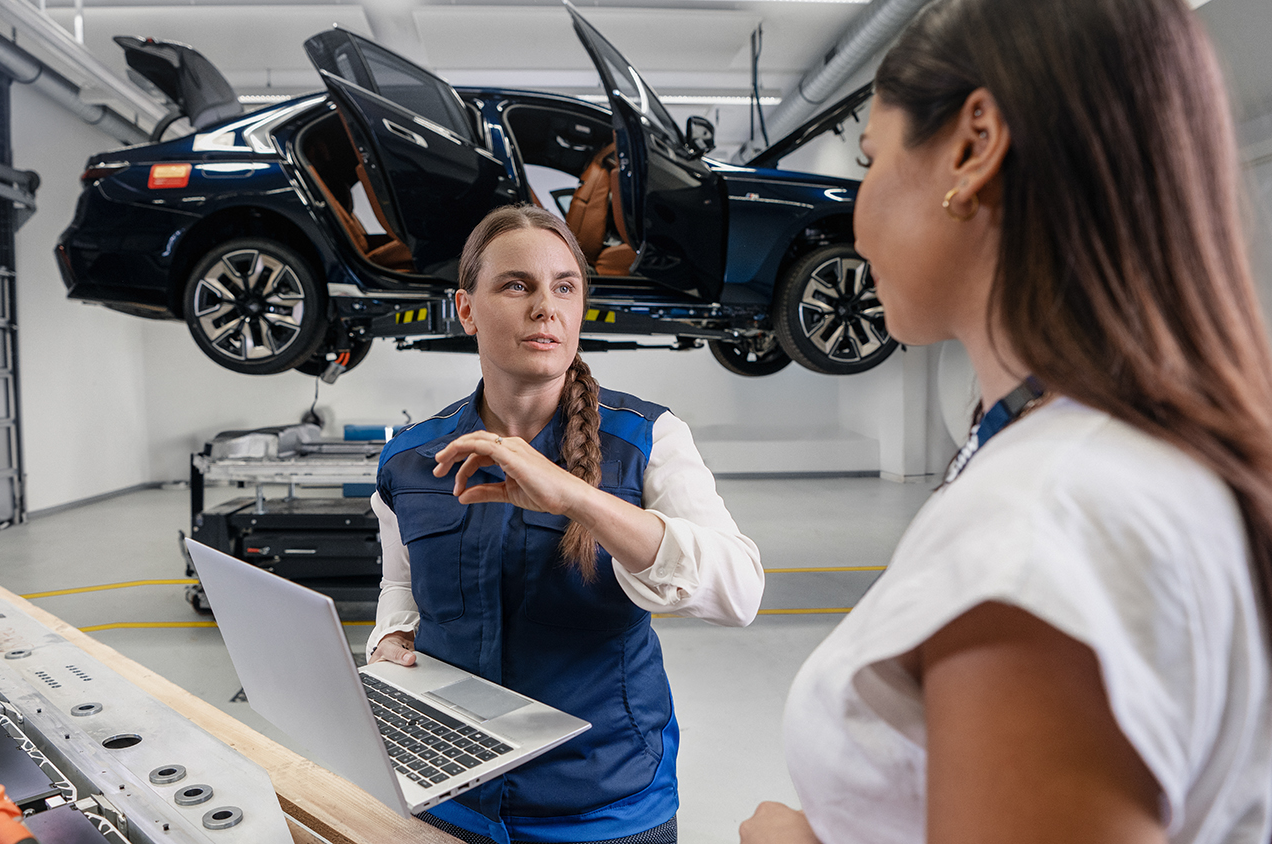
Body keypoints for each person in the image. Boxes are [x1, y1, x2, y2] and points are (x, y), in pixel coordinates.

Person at [739, 0, 1272, 842]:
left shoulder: (1049, 522)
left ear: (974, 144)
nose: (856, 215)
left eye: (870, 160)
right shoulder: (1115, 453)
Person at [368, 204, 764, 844]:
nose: (544, 307)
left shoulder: (647, 440)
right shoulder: (411, 460)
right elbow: (402, 586)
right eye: (516, 285)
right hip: (447, 800)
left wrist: (580, 499)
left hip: (602, 810)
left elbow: (739, 593)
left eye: (565, 287)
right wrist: (391, 638)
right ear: (467, 309)